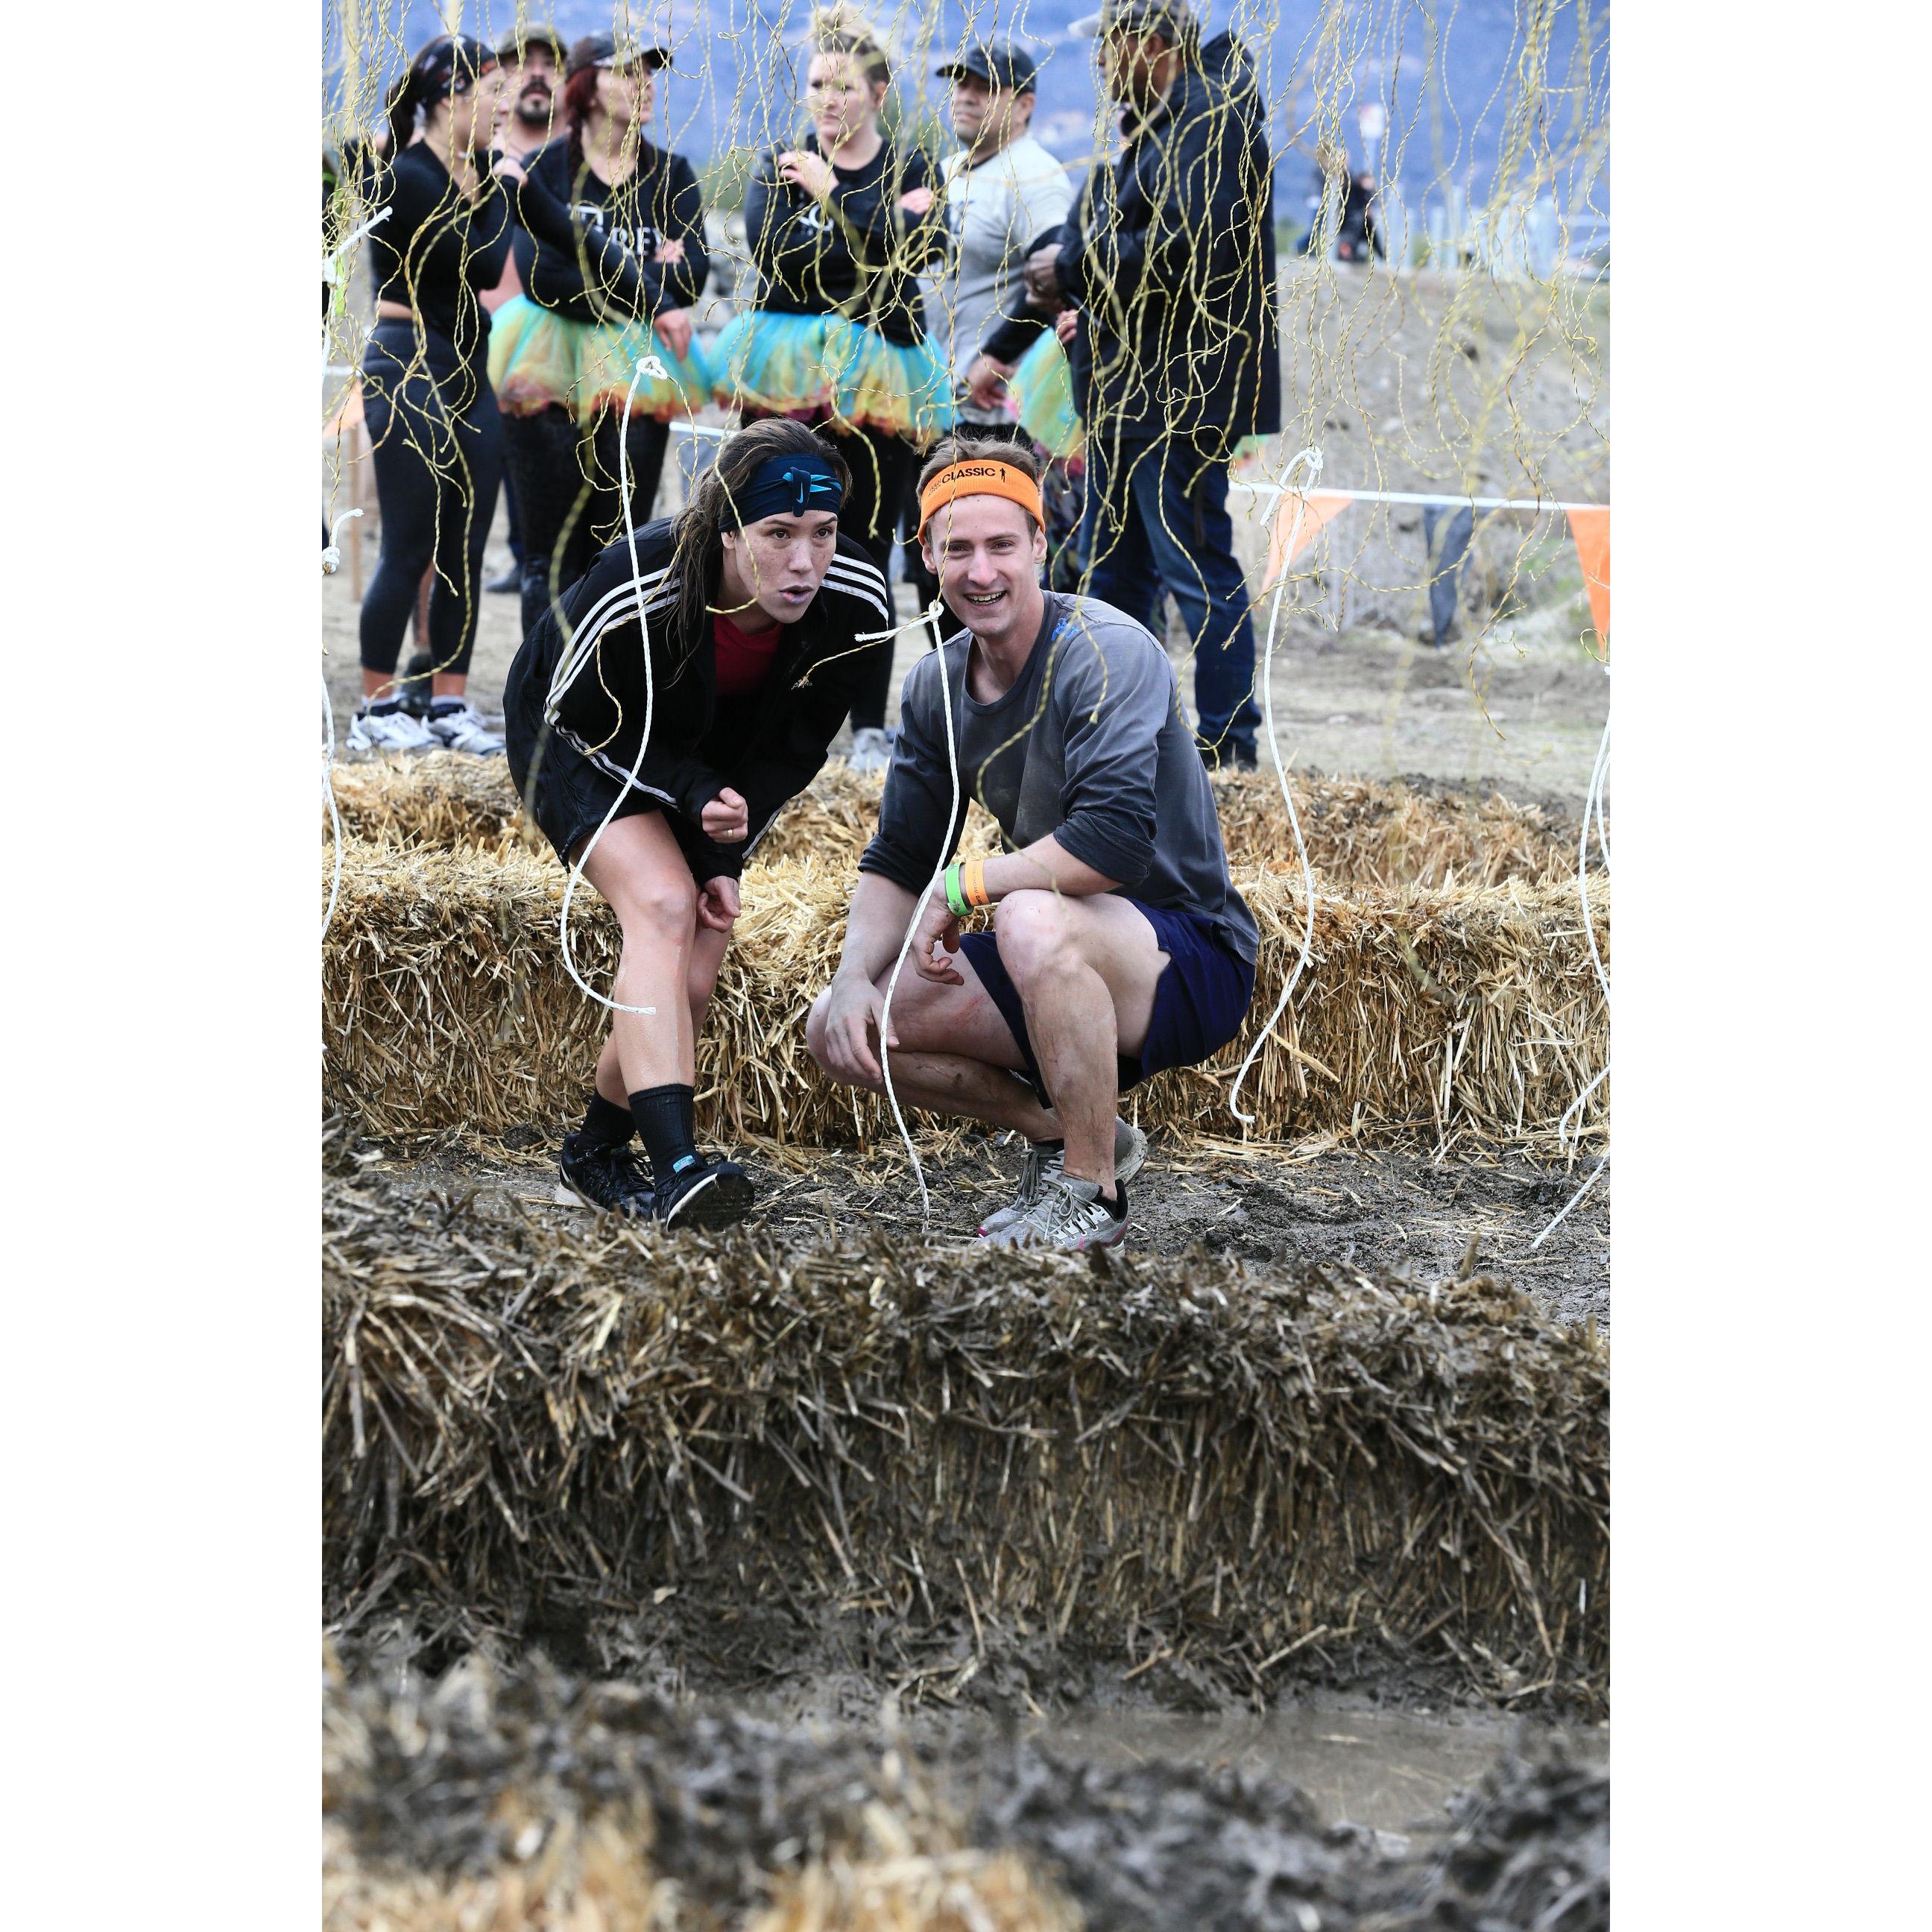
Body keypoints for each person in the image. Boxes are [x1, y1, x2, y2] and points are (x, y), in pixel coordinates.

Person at [806, 438, 1259, 1250]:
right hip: (1057, 960)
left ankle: (1094, 1195)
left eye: (1002, 545)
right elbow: (901, 858)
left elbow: (1112, 845)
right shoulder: (935, 683)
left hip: (1185, 956)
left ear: (1041, 546)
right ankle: (1065, 1136)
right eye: (958, 550)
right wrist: (851, 977)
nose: (982, 572)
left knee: (1024, 915)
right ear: (930, 560)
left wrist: (963, 887)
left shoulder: (1105, 650)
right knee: (836, 1025)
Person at [502, 418, 893, 1228]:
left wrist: (728, 853)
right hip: (578, 733)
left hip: (708, 757)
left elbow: (796, 747)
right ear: (726, 531)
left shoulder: (855, 598)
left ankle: (595, 1153)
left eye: (823, 534)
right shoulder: (637, 576)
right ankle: (678, 1168)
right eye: (777, 534)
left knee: (693, 977)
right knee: (662, 905)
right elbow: (573, 712)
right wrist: (687, 790)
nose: (805, 561)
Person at [977, 0, 1281, 771]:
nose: (1102, 65)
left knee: (1190, 563)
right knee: (1115, 571)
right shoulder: (1153, 133)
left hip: (1178, 393)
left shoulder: (1210, 124)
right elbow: (1081, 245)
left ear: (1149, 44)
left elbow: (1188, 247)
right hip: (1126, 393)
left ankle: (1226, 750)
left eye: (1110, 48)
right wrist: (1005, 344)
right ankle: (1115, 735)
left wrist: (1075, 269)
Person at [713, 6, 951, 773]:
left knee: (864, 548)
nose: (827, 100)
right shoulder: (774, 163)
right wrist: (867, 228)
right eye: (816, 84)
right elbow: (779, 259)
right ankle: (760, 703)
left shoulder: (914, 168)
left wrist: (833, 197)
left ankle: (871, 724)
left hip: (879, 388)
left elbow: (918, 255)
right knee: (776, 537)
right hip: (786, 385)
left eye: (843, 86)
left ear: (877, 93)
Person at [490, 34, 713, 644]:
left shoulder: (670, 173)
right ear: (586, 87)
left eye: (650, 72)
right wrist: (650, 276)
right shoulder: (546, 169)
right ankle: (541, 693)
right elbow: (548, 278)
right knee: (549, 555)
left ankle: (602, 693)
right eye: (626, 72)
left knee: (621, 547)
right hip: (550, 362)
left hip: (638, 371)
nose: (644, 83)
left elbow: (693, 275)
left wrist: (605, 266)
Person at [350, 35, 511, 756]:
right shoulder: (412, 174)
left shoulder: (468, 171)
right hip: (408, 361)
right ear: (451, 99)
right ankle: (376, 704)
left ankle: (448, 703)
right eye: (492, 92)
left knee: (463, 548)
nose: (503, 106)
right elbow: (477, 263)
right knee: (410, 543)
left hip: (469, 368)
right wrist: (505, 184)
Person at [900, 37, 1073, 616]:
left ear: (1024, 104)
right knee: (931, 569)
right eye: (960, 83)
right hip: (936, 397)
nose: (966, 96)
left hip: (998, 415)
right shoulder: (947, 171)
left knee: (992, 573)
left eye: (984, 86)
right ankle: (955, 703)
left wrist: (994, 358)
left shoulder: (1036, 176)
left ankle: (1009, 701)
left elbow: (1053, 281)